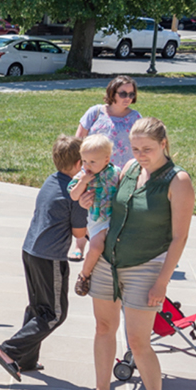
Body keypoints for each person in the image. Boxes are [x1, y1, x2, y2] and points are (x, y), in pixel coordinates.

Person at [78, 118, 194, 390]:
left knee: (138, 341)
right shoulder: (129, 169)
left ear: (164, 145)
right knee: (104, 327)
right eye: (135, 148)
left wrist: (162, 280)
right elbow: (107, 202)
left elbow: (180, 237)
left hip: (146, 268)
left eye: (148, 149)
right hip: (107, 265)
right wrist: (89, 199)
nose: (140, 154)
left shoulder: (177, 180)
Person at [0, 135, 87, 381]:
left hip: (30, 250)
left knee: (37, 308)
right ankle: (8, 350)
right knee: (55, 314)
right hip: (50, 257)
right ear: (78, 163)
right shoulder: (73, 192)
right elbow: (79, 233)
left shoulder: (52, 180)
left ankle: (26, 359)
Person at [69, 75, 141, 260]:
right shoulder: (96, 112)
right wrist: (81, 166)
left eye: (131, 94)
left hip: (118, 174)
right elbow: (79, 139)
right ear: (112, 93)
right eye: (123, 93)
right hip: (92, 170)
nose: (128, 97)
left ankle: (107, 246)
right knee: (85, 205)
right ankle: (79, 244)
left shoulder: (135, 117)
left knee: (112, 209)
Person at [67, 135, 118, 297]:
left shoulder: (115, 172)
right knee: (96, 246)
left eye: (92, 162)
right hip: (98, 220)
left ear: (106, 159)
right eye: (84, 161)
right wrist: (83, 182)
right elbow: (73, 195)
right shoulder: (83, 175)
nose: (87, 166)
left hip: (115, 217)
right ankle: (84, 275)